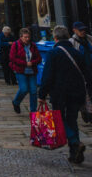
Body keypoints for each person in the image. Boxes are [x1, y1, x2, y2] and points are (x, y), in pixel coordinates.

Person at [38, 25, 92, 164]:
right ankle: (74, 154)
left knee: (60, 120)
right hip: (77, 92)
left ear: (55, 38)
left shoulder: (54, 53)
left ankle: (75, 141)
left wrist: (42, 95)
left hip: (60, 93)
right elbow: (87, 73)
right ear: (68, 36)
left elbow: (47, 76)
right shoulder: (77, 53)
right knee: (72, 119)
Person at [10, 27, 42, 114]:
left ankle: (33, 111)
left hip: (32, 71)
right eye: (25, 37)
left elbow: (39, 58)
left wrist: (32, 62)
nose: (27, 39)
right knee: (24, 89)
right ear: (21, 37)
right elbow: (12, 58)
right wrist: (25, 63)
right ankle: (16, 102)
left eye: (28, 37)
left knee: (33, 91)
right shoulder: (15, 45)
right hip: (21, 70)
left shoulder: (33, 45)